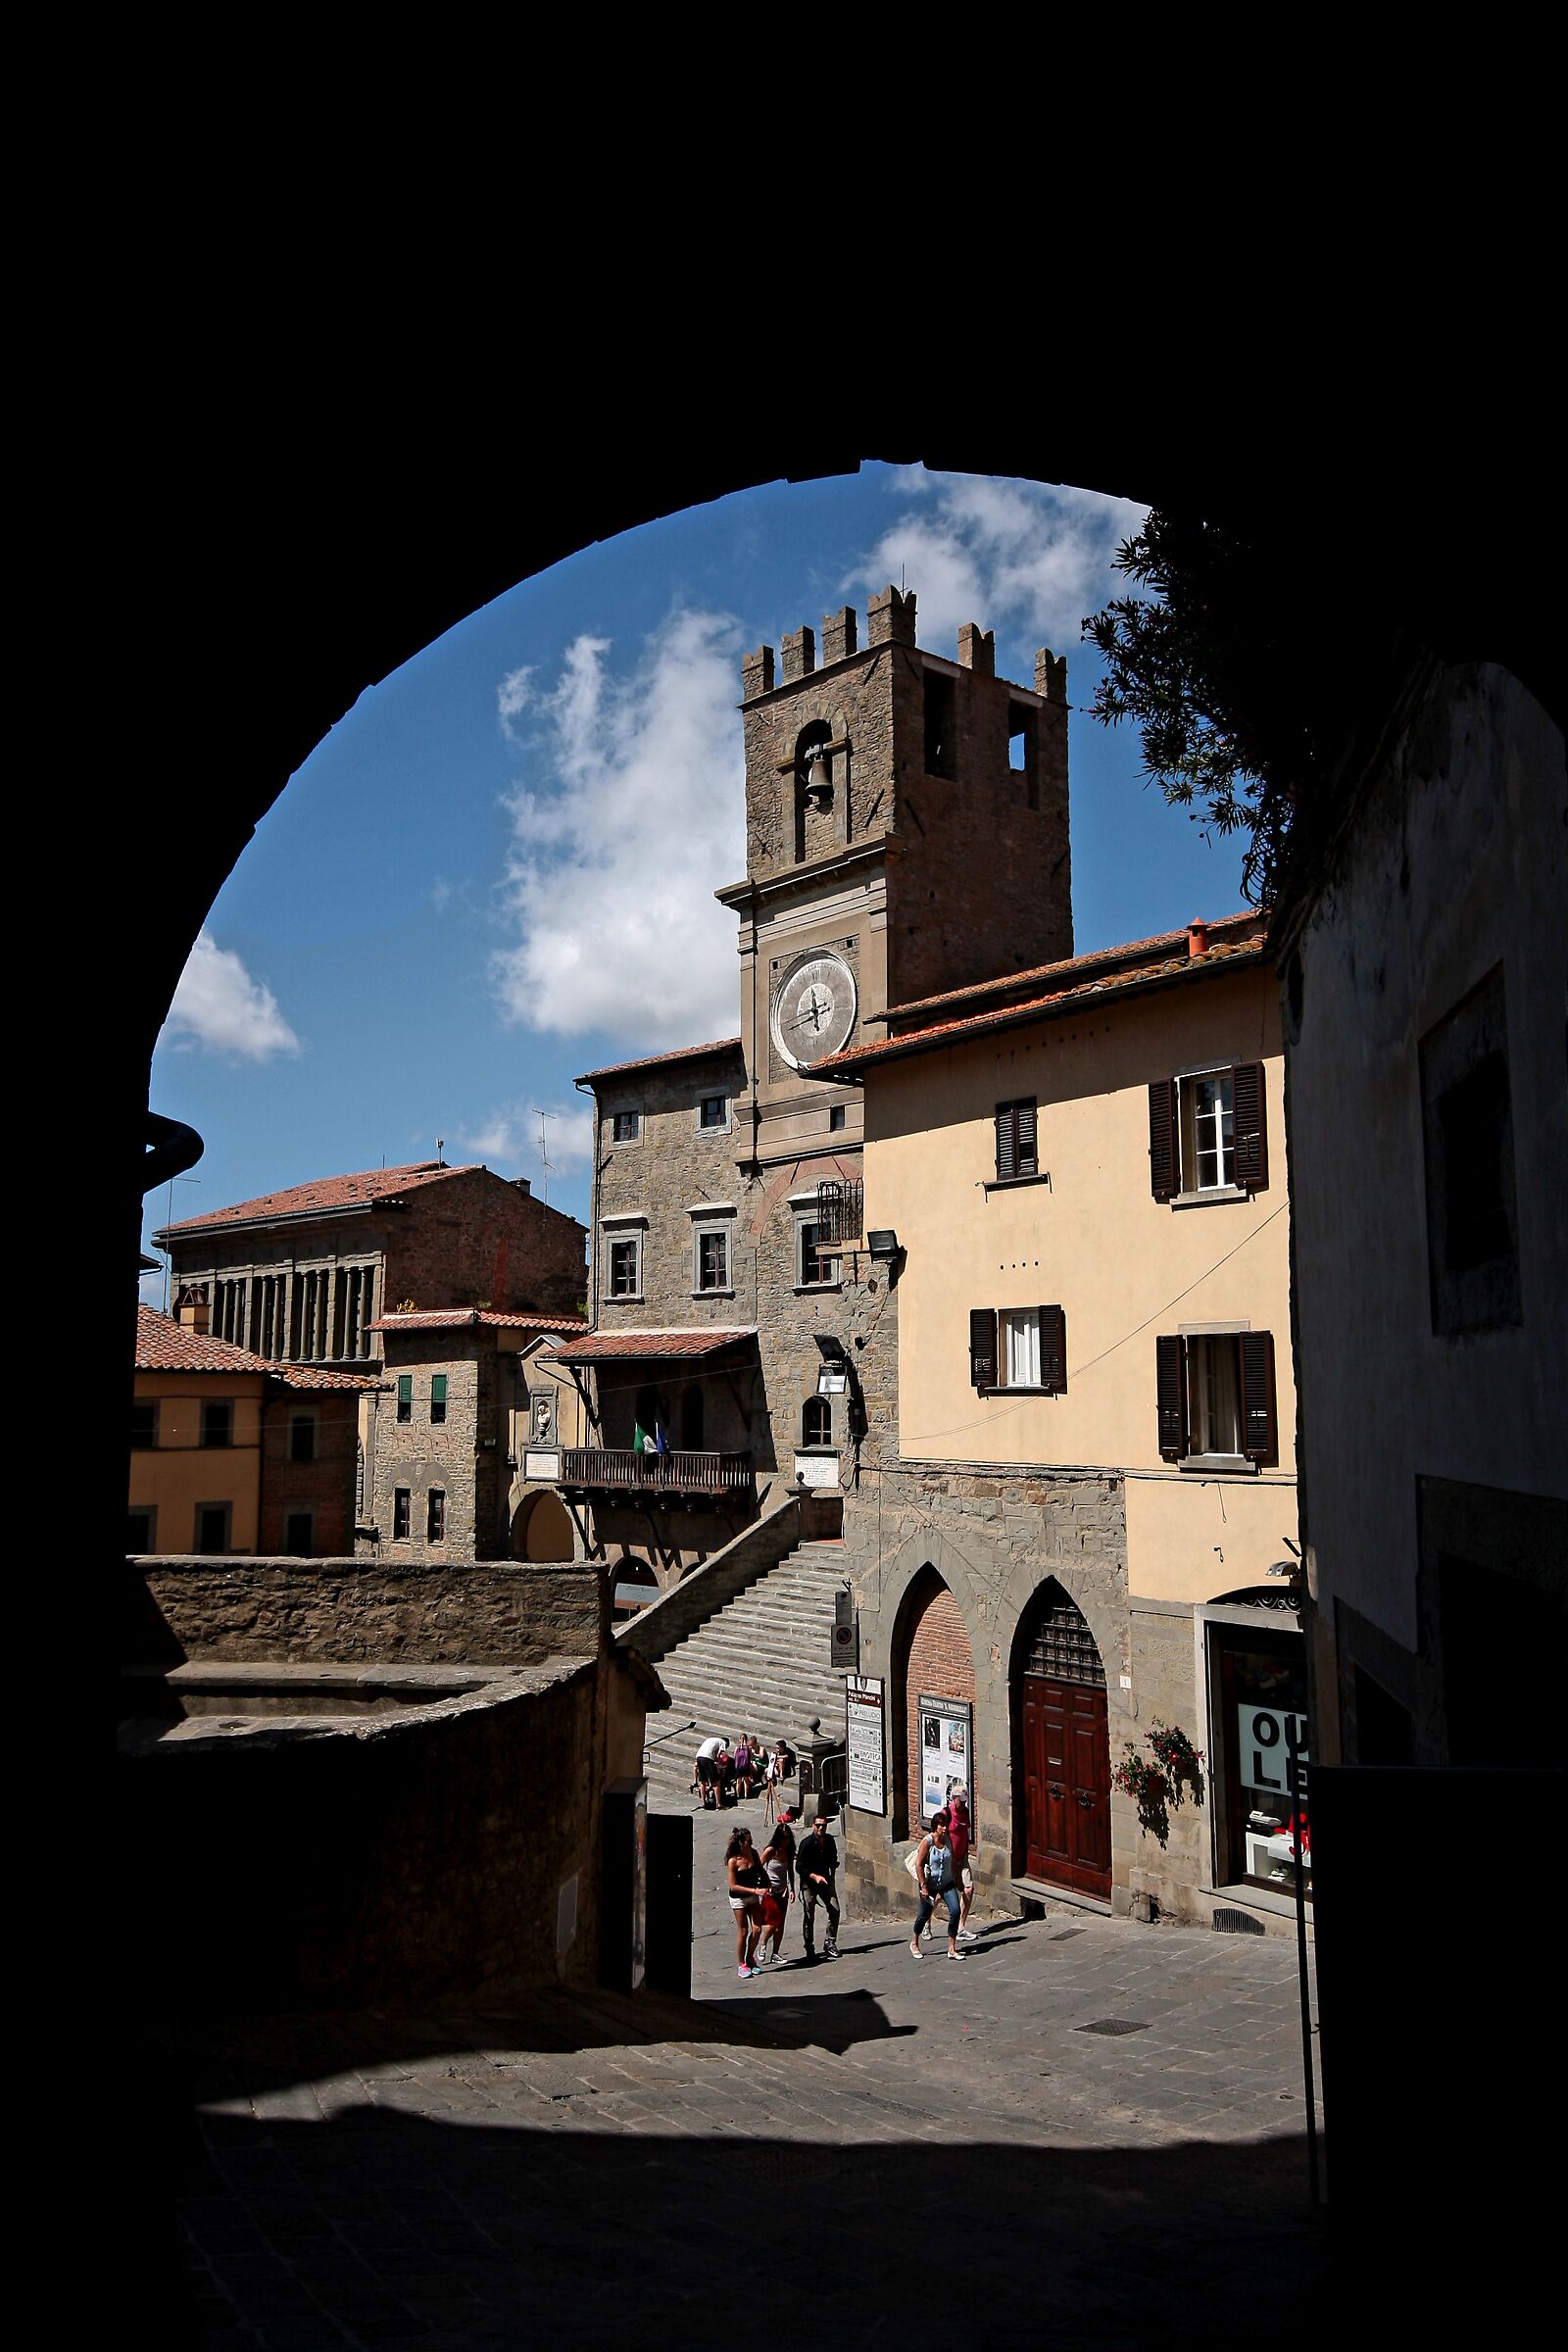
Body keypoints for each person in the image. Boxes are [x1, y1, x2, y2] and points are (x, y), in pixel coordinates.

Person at [910, 1812, 963, 1959]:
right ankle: (914, 1942)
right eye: (942, 1825)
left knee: (955, 1911)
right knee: (924, 1914)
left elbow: (952, 1861)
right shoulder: (927, 1841)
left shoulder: (948, 1841)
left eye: (946, 1825)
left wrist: (957, 1878)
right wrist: (923, 1886)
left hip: (947, 1883)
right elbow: (919, 1864)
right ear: (935, 1826)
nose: (945, 1828)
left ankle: (951, 1948)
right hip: (930, 1884)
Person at [796, 1811, 841, 1961]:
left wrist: (831, 1878)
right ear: (813, 1826)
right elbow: (799, 1867)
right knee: (809, 1915)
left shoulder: (829, 1841)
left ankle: (830, 1942)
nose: (821, 1828)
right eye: (818, 1825)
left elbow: (833, 1859)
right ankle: (809, 1947)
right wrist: (814, 1877)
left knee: (835, 1910)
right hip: (809, 1883)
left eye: (823, 1826)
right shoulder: (806, 1844)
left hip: (825, 1881)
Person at [725, 1826, 766, 1978]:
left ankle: (750, 1957)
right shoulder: (733, 1861)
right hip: (738, 1898)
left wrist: (767, 1885)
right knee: (743, 1931)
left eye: (751, 1840)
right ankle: (741, 1964)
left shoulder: (753, 1853)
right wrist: (754, 1891)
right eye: (748, 1841)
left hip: (753, 1895)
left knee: (757, 1929)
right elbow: (733, 1886)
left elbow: (760, 1870)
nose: (751, 1843)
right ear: (741, 1843)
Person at [945, 1786, 978, 1943]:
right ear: (954, 1798)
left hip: (962, 1858)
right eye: (961, 1801)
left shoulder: (965, 1812)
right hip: (950, 1860)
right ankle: (927, 1922)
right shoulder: (946, 1814)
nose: (964, 1804)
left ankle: (961, 1928)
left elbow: (965, 1833)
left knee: (969, 1889)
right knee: (940, 1895)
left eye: (965, 1801)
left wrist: (966, 1851)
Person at [757, 1826, 795, 1963]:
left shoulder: (789, 1851)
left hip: (783, 1891)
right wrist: (765, 1884)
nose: (785, 1841)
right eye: (783, 1838)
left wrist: (792, 1889)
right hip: (770, 1892)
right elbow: (758, 1867)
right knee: (773, 1922)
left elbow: (790, 1871)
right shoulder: (770, 1851)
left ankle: (775, 1953)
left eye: (787, 1838)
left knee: (781, 1924)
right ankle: (763, 1943)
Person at [694, 1734, 724, 1810]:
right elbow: (718, 1755)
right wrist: (719, 1763)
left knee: (703, 1782)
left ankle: (703, 1803)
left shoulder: (711, 1740)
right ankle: (718, 1804)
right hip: (707, 1759)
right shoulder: (723, 1742)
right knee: (716, 1782)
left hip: (699, 1757)